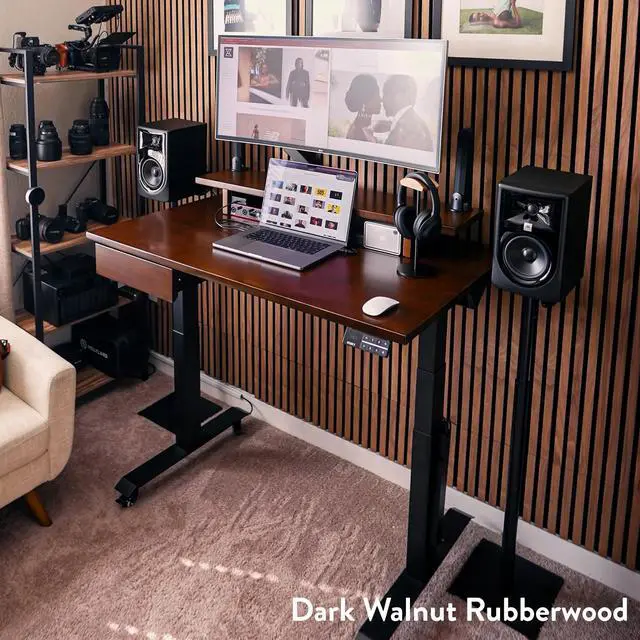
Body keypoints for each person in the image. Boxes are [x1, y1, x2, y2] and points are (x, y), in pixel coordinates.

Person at [382, 75, 433, 152]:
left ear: (401, 96)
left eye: (386, 94)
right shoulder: (409, 122)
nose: (382, 99)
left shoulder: (408, 129)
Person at [344, 74, 382, 142]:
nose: (380, 100)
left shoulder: (362, 127)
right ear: (365, 101)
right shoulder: (359, 133)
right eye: (377, 95)